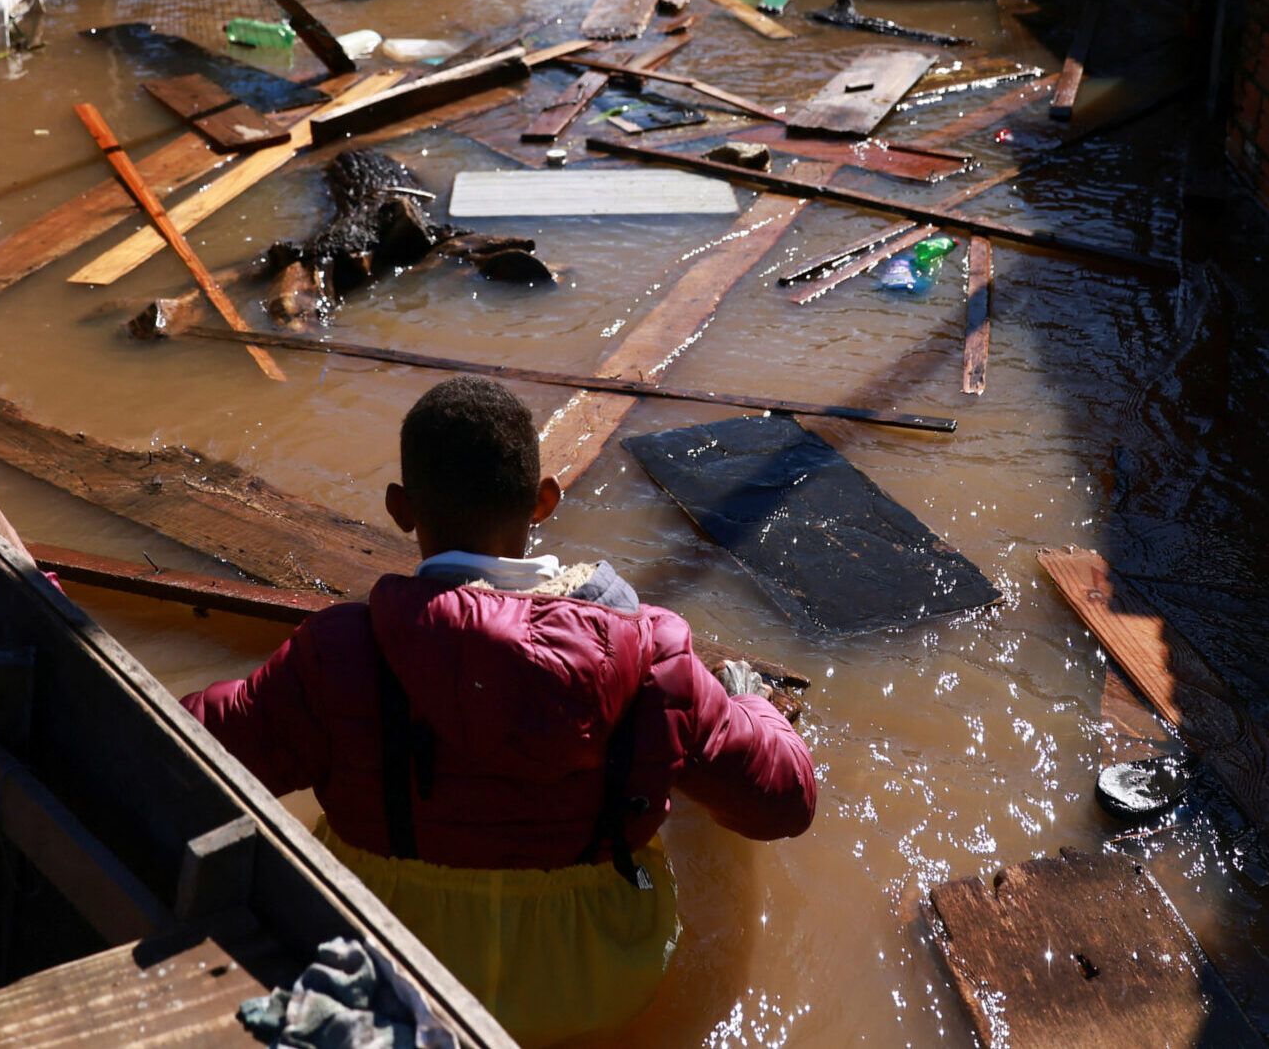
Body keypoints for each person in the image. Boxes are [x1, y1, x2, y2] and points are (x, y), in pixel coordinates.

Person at [182, 376, 818, 1046]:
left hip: (390, 971)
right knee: (678, 761)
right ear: (544, 501)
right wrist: (751, 706)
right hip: (598, 986)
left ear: (400, 508)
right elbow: (785, 803)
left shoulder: (338, 653)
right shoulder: (649, 651)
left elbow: (190, 749)